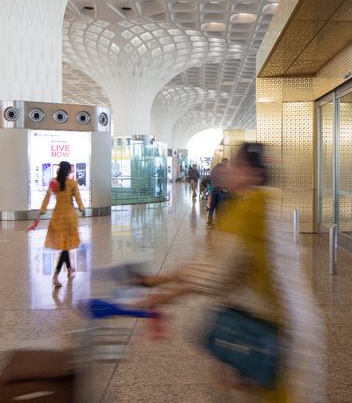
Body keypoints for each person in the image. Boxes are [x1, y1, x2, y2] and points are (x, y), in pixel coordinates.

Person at [136, 143, 324, 401]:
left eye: (237, 165)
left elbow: (215, 273)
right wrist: (163, 280)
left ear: (253, 173)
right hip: (287, 320)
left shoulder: (248, 210)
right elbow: (222, 262)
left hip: (264, 329)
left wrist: (163, 295)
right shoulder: (267, 202)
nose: (228, 170)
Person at [35, 160, 85, 289]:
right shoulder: (72, 183)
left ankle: (69, 268)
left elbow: (47, 197)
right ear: (68, 170)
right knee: (65, 246)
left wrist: (42, 210)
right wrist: (81, 208)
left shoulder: (54, 182)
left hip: (57, 216)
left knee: (64, 244)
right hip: (69, 217)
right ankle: (56, 276)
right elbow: (78, 198)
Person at [207, 157, 229, 227]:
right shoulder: (227, 169)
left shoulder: (215, 168)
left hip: (214, 189)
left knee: (212, 207)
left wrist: (214, 184)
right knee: (220, 207)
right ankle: (219, 222)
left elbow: (211, 177)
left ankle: (209, 223)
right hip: (222, 190)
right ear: (226, 162)